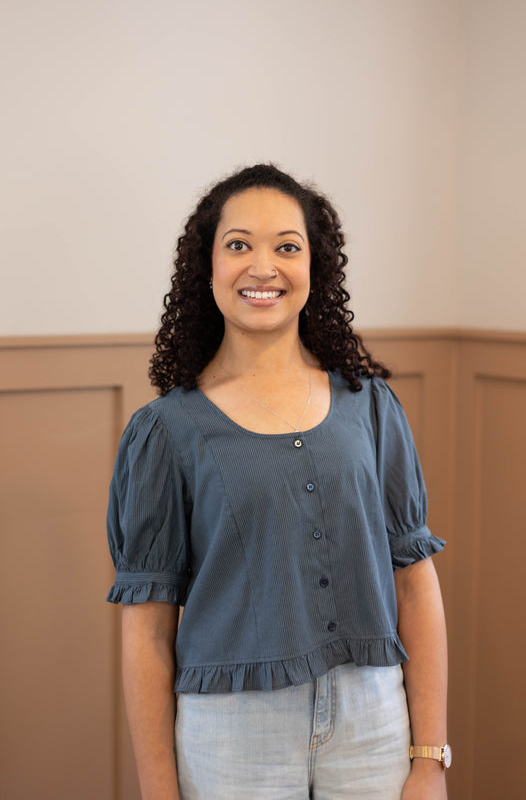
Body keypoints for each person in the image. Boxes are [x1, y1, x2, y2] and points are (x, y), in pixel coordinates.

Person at [106, 163, 450, 800]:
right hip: (232, 736)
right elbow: (148, 629)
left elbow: (415, 581)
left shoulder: (371, 408)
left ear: (315, 267)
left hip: (375, 720)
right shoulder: (165, 431)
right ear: (205, 268)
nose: (263, 267)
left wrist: (430, 757)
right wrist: (159, 791)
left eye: (286, 247)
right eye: (239, 245)